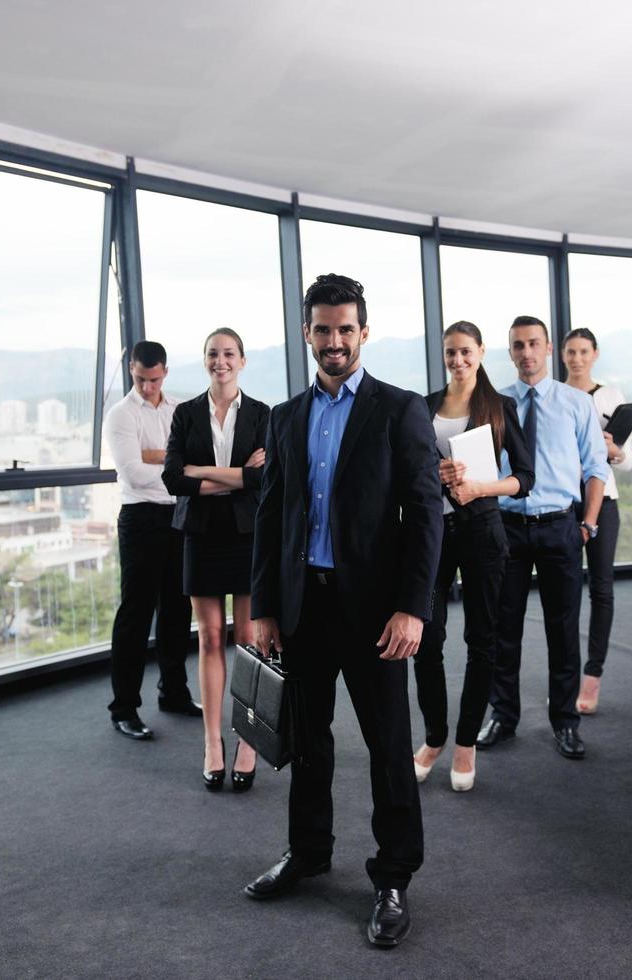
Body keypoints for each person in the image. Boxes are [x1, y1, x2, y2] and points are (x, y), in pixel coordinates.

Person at [245, 274, 442, 950]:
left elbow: (424, 515)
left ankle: (393, 876)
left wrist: (413, 608)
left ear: (363, 332)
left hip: (375, 613)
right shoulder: (286, 416)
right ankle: (308, 852)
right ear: (307, 332)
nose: (334, 341)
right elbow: (273, 518)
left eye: (345, 330)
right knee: (308, 742)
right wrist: (266, 606)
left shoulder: (400, 410)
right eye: (323, 329)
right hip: (304, 607)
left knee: (389, 747)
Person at [477, 316, 609, 761]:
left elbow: (595, 468)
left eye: (534, 343)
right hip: (508, 527)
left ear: (548, 348)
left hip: (561, 526)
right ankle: (503, 715)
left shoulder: (576, 403)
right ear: (510, 352)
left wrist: (588, 523)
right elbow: (483, 468)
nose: (526, 352)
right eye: (518, 345)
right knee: (502, 628)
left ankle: (566, 721)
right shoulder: (493, 404)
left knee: (563, 629)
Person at [412, 321, 534, 792]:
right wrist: (433, 470)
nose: (458, 360)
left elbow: (526, 477)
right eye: (450, 353)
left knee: (483, 641)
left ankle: (465, 743)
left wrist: (481, 486)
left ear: (481, 352)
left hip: (482, 532)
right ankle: (434, 737)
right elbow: (409, 470)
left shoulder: (499, 407)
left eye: (465, 351)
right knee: (427, 639)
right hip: (432, 535)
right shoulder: (424, 407)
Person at [161, 328, 269, 792]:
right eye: (212, 354)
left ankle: (246, 741)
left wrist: (201, 470)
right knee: (208, 639)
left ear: (242, 361)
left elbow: (265, 481)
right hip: (201, 537)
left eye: (228, 354)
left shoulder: (263, 414)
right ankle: (211, 743)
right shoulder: (186, 413)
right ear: (204, 361)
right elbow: (171, 479)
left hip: (248, 537)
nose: (220, 361)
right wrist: (238, 477)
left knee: (247, 640)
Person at [101, 341, 201, 740]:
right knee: (136, 614)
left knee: (177, 611)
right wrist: (173, 462)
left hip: (177, 515)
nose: (147, 387)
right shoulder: (120, 415)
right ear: (131, 370)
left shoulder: (179, 410)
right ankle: (123, 708)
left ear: (165, 372)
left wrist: (157, 455)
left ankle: (173, 693)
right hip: (140, 519)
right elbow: (133, 474)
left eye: (154, 379)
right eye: (141, 379)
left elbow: (190, 456)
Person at [561, 327, 632, 715]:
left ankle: (593, 677)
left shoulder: (610, 396)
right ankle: (567, 681)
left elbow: (629, 460)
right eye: (570, 352)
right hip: (566, 503)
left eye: (583, 351)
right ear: (561, 355)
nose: (576, 358)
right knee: (567, 594)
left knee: (601, 589)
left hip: (604, 501)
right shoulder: (556, 395)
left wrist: (614, 450)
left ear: (595, 354)